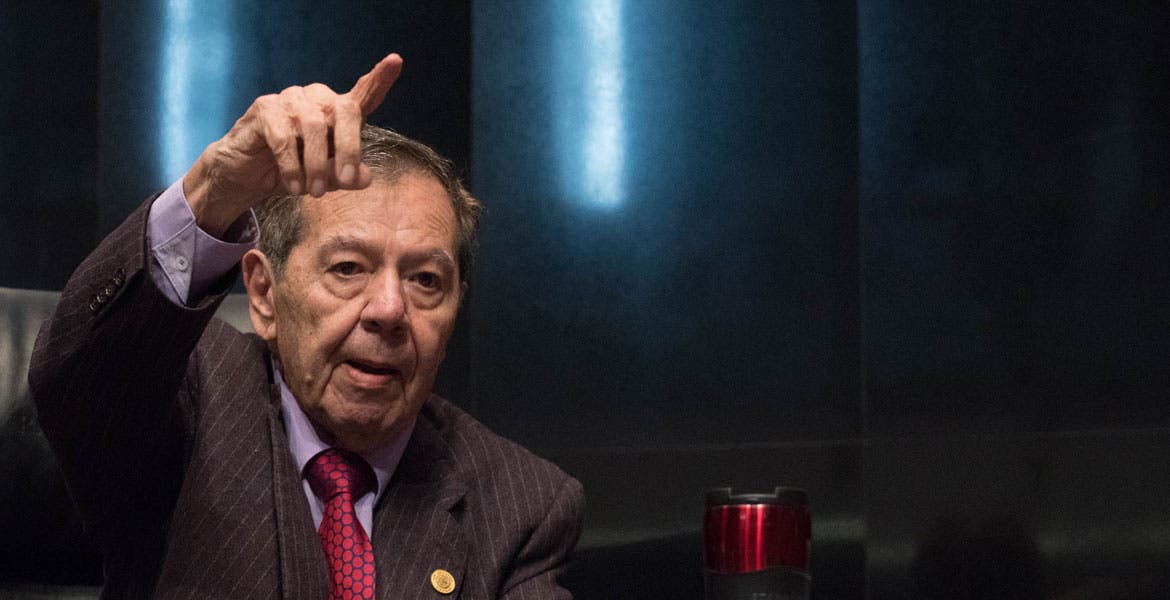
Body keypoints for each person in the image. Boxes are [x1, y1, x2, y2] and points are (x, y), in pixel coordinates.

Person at [29, 53, 584, 599]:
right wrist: (214, 190)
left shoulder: (522, 507)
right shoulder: (188, 392)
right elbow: (81, 377)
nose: (390, 310)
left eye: (425, 280)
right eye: (348, 269)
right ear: (264, 294)